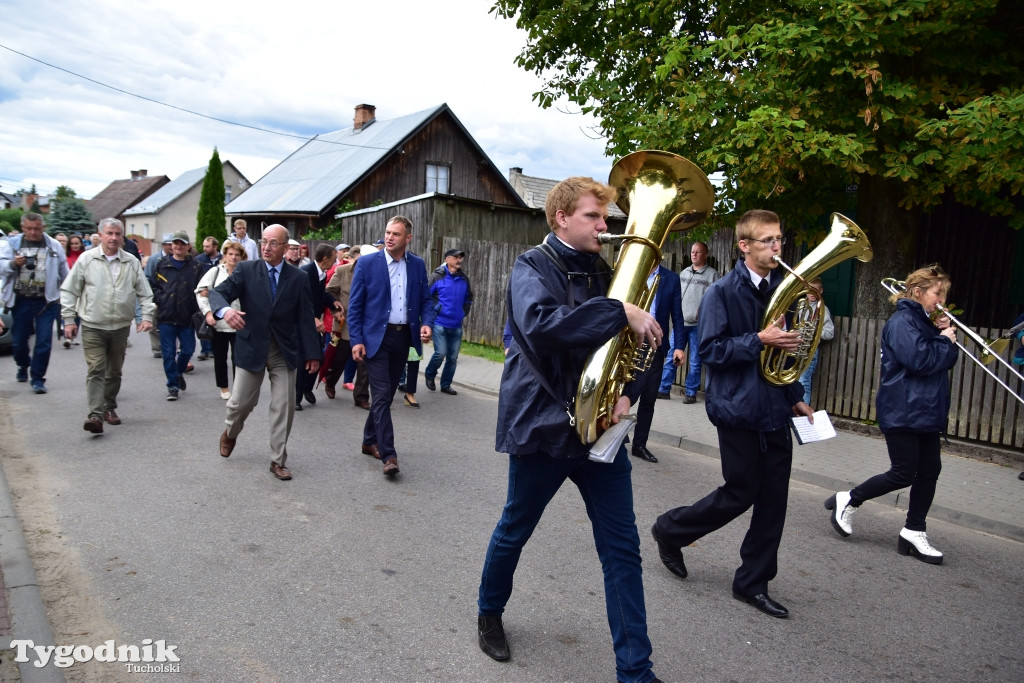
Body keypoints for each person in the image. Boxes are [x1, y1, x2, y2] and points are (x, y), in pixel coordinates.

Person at [476, 177, 664, 683]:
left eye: (606, 219)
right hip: (545, 426)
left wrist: (630, 393)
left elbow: (642, 347)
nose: (606, 227)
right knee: (516, 528)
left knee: (622, 549)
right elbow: (543, 326)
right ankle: (489, 613)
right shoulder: (530, 265)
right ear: (561, 217)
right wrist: (619, 310)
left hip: (601, 430)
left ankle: (636, 671)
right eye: (594, 217)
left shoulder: (610, 271)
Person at [651, 209, 813, 620]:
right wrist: (758, 338)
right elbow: (711, 351)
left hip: (775, 406)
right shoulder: (721, 292)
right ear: (744, 246)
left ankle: (752, 583)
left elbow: (784, 352)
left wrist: (794, 394)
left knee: (774, 499)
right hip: (737, 408)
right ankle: (670, 530)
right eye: (767, 241)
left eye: (779, 240)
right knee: (740, 492)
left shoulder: (784, 289)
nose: (777, 248)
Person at [825, 265, 959, 564]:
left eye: (943, 294)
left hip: (925, 409)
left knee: (929, 472)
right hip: (903, 407)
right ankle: (849, 498)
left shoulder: (926, 323)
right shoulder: (903, 322)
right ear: (918, 291)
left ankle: (914, 530)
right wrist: (944, 339)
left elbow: (945, 361)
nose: (941, 300)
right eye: (938, 293)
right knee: (903, 472)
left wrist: (943, 336)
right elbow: (920, 361)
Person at [210, 224, 322, 481]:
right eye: (264, 242)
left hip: (284, 349)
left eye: (274, 243)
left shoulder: (298, 278)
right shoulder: (247, 270)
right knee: (240, 404)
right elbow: (219, 293)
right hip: (252, 346)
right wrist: (225, 311)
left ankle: (277, 460)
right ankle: (230, 432)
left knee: (283, 406)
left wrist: (313, 353)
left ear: (285, 248)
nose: (267, 247)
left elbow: (306, 317)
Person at [348, 217, 434, 477]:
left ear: (408, 238)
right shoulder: (366, 263)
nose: (389, 238)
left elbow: (426, 300)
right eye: (387, 232)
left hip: (403, 338)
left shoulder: (417, 265)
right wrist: (357, 340)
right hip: (376, 338)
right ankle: (389, 454)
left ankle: (367, 440)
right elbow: (355, 306)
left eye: (396, 234)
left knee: (384, 396)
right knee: (383, 395)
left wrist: (426, 323)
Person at [60, 218, 155, 433]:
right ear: (100, 235)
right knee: (96, 369)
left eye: (117, 234)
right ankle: (95, 415)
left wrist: (146, 316)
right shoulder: (87, 259)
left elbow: (145, 292)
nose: (113, 238)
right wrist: (68, 319)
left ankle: (109, 407)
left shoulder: (131, 262)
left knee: (114, 371)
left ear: (122, 237)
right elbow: (69, 290)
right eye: (109, 233)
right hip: (93, 325)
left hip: (120, 327)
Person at [0, 213, 69, 393]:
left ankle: (38, 378)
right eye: (29, 229)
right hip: (21, 300)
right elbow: (1, 267)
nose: (33, 232)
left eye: (37, 229)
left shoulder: (53, 245)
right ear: (23, 228)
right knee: (18, 341)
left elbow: (65, 273)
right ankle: (23, 364)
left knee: (44, 341)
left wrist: (69, 295)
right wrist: (13, 264)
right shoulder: (12, 244)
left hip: (47, 301)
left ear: (43, 227)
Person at [630, 259, 685, 463]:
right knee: (626, 393)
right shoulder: (633, 272)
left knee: (649, 398)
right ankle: (615, 437)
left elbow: (677, 316)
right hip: (629, 343)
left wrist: (679, 346)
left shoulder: (671, 279)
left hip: (656, 344)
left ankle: (639, 445)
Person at [661, 241, 719, 403]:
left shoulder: (712, 275)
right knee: (671, 356)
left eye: (698, 252)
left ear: (705, 255)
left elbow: (714, 300)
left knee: (695, 361)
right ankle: (664, 389)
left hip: (698, 326)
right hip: (680, 324)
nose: (694, 254)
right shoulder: (684, 272)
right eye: (693, 252)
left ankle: (691, 393)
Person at [151, 231, 206, 400]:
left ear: (188, 246)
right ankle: (172, 386)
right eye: (175, 243)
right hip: (166, 316)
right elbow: (153, 286)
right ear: (171, 245)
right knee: (168, 353)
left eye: (182, 243)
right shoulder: (162, 264)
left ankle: (178, 372)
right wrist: (161, 299)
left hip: (187, 316)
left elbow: (202, 287)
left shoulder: (196, 266)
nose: (178, 247)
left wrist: (199, 307)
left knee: (188, 350)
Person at [195, 240, 246, 399]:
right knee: (220, 357)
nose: (233, 257)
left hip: (240, 323)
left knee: (239, 358)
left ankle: (238, 387)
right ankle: (224, 387)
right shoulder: (215, 272)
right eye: (230, 254)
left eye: (237, 255)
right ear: (224, 255)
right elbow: (200, 292)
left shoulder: (244, 273)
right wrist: (208, 313)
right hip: (218, 323)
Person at [324, 245, 371, 408]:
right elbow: (329, 292)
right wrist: (336, 309)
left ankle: (361, 397)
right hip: (345, 323)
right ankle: (330, 381)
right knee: (340, 359)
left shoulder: (377, 274)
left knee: (364, 362)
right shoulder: (343, 271)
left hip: (367, 324)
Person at [295, 244, 339, 410]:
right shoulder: (306, 272)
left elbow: (320, 294)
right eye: (334, 259)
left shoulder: (321, 273)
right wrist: (312, 318)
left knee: (318, 357)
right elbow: (298, 299)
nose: (335, 262)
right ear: (325, 259)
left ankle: (307, 388)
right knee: (302, 361)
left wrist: (332, 302)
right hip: (302, 323)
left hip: (314, 322)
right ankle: (296, 397)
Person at [423, 248, 473, 396]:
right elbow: (427, 297)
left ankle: (446, 384)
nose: (459, 261)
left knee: (452, 357)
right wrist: (433, 312)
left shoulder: (464, 278)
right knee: (440, 353)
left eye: (461, 258)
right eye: (456, 257)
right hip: (439, 322)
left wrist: (463, 313)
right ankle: (430, 374)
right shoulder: (437, 277)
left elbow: (468, 298)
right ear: (447, 259)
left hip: (456, 324)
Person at [796, 277, 834, 404]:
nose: (812, 293)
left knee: (803, 382)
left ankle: (803, 418)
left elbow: (829, 333)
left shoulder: (823, 309)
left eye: (815, 290)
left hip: (809, 351)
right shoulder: (800, 305)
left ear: (821, 291)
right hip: (794, 348)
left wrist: (813, 332)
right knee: (791, 383)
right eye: (809, 290)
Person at [145, 234, 174, 358]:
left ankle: (171, 347)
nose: (171, 247)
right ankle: (157, 348)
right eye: (168, 244)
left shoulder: (176, 258)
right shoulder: (154, 259)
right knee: (154, 323)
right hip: (156, 295)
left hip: (172, 297)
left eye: (172, 244)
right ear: (163, 245)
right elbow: (147, 277)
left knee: (171, 323)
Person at [195, 236, 223, 360]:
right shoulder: (200, 259)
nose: (204, 249)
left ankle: (213, 348)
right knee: (204, 320)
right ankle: (205, 349)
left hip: (218, 294)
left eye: (207, 246)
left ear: (215, 247)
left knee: (216, 320)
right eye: (204, 246)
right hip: (204, 293)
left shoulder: (223, 259)